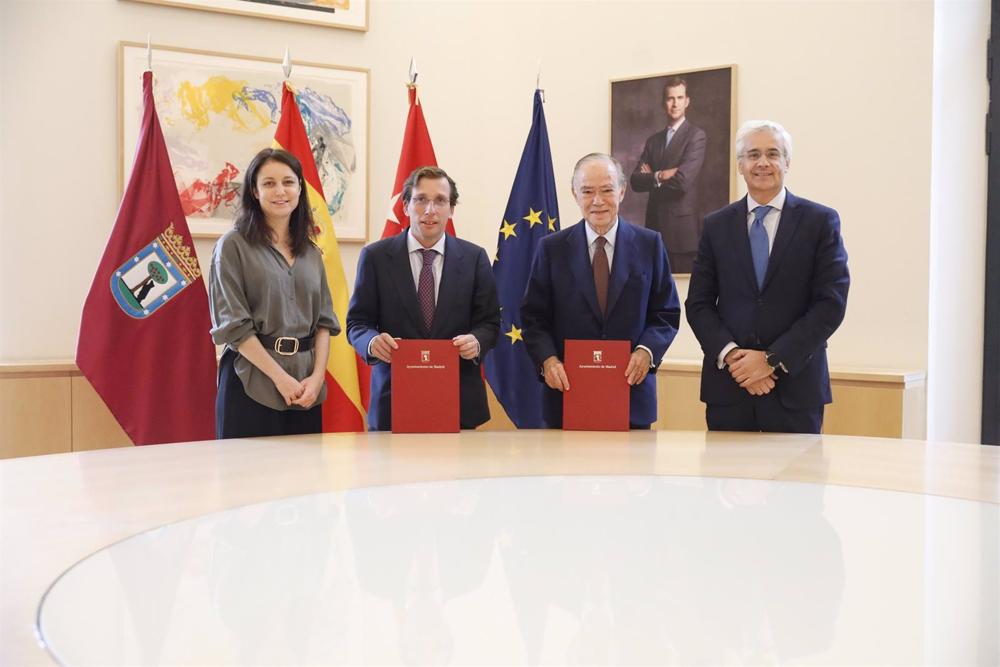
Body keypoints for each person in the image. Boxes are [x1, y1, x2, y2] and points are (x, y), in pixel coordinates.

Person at [685, 120, 850, 434]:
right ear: (740, 165)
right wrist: (733, 356)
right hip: (730, 389)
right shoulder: (716, 226)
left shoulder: (820, 222)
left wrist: (772, 360)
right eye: (753, 154)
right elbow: (699, 304)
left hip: (795, 390)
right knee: (724, 480)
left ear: (787, 163)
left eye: (773, 154)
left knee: (797, 483)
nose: (762, 162)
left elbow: (830, 304)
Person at [521, 153, 681, 429]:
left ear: (621, 191)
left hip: (632, 397)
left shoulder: (650, 244)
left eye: (607, 190)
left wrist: (646, 352)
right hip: (566, 397)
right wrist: (547, 360)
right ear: (574, 194)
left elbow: (666, 312)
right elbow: (534, 318)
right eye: (587, 191)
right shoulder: (552, 249)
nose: (598, 201)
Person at [346, 166, 500, 431]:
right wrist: (371, 342)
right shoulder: (375, 257)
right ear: (405, 206)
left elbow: (491, 323)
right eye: (420, 200)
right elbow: (357, 324)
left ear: (451, 209)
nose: (430, 210)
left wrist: (477, 342)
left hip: (459, 404)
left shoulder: (474, 258)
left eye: (440, 201)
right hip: (393, 403)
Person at [209, 148, 338, 439]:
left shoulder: (312, 253)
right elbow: (233, 327)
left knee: (304, 482)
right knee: (250, 482)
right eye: (269, 183)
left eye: (288, 182)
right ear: (254, 191)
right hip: (251, 383)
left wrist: (317, 379)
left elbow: (324, 323)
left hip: (306, 389)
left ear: (300, 188)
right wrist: (280, 379)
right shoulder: (232, 247)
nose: (280, 191)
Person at [629, 76, 707, 273]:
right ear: (664, 102)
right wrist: (661, 175)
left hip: (681, 233)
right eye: (670, 98)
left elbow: (682, 182)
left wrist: (651, 177)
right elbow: (635, 181)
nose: (675, 104)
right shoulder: (653, 141)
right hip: (654, 227)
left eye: (679, 98)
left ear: (687, 101)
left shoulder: (696, 136)